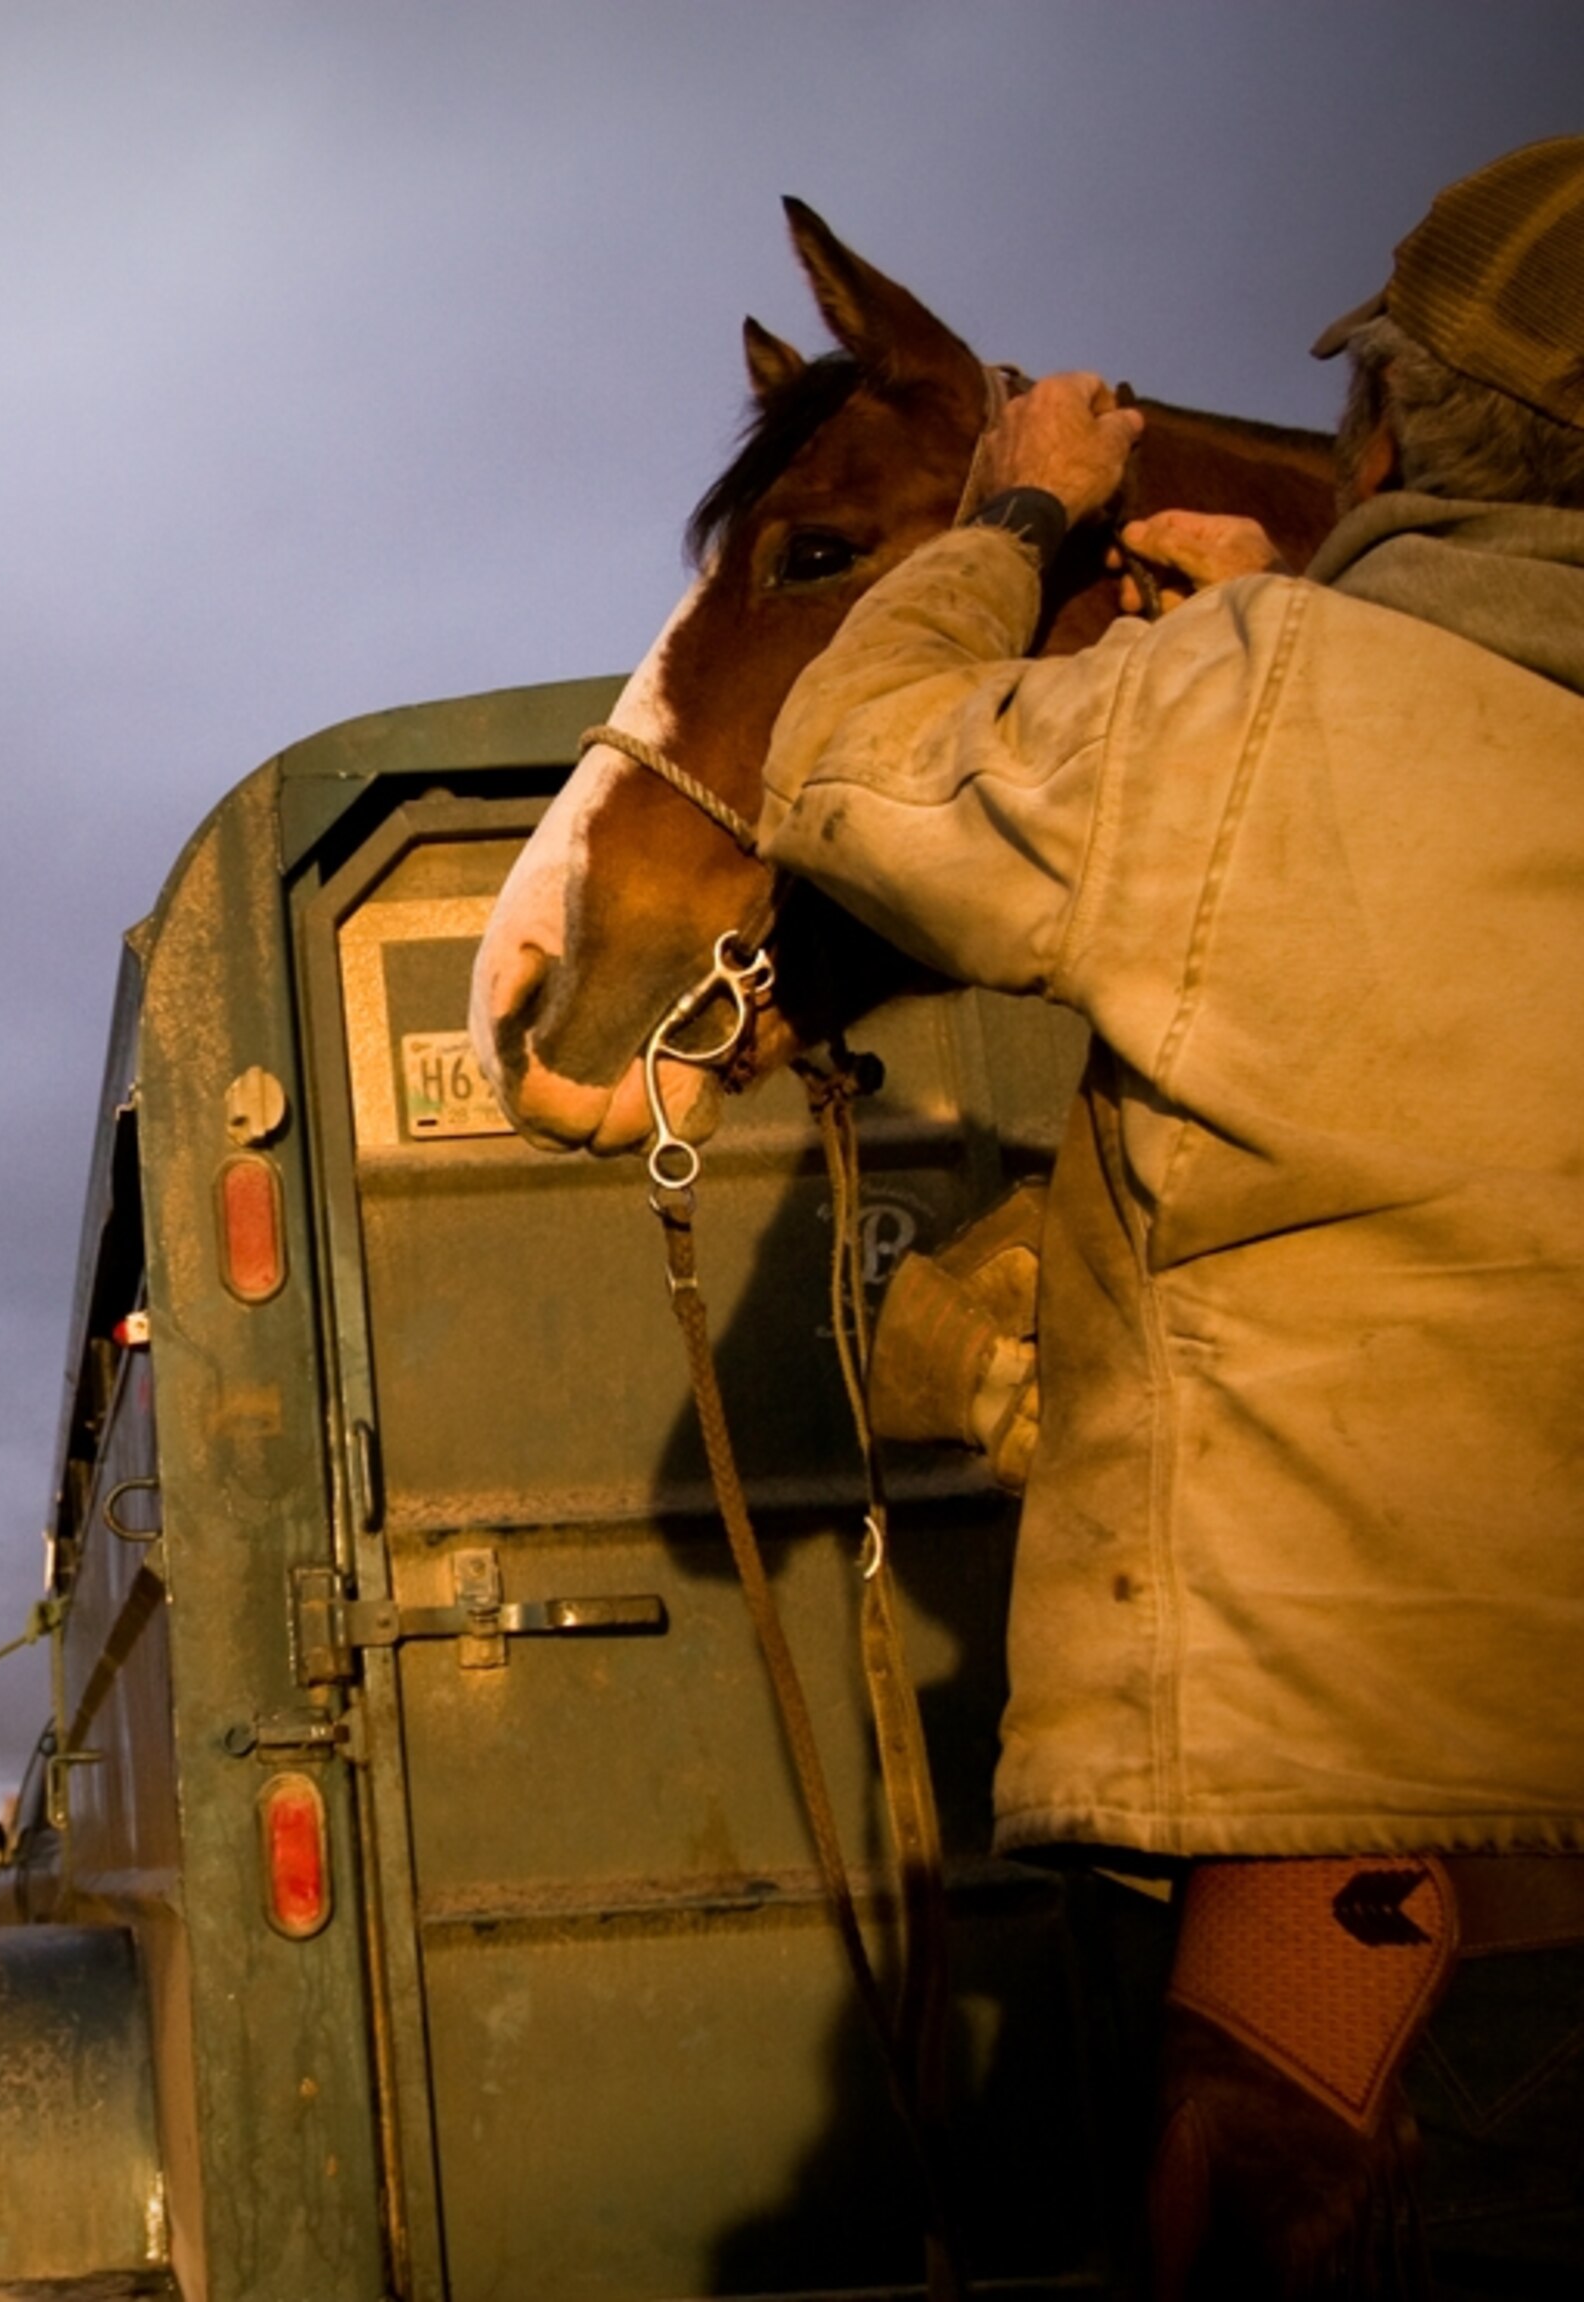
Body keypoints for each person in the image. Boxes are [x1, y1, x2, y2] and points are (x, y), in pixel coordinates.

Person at [755, 137, 1584, 2299]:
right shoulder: (1300, 680)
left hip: (1375, 1908)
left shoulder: (1245, 712)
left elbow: (849, 771)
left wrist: (1016, 513)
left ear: (1394, 423)